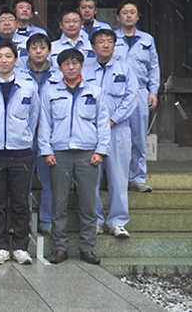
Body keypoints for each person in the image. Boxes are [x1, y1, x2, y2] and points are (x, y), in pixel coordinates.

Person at [38, 48, 111, 265]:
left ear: (82, 66)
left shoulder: (95, 91)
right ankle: (60, 247)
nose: (71, 67)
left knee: (88, 204)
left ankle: (87, 248)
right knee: (59, 203)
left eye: (75, 63)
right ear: (60, 68)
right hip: (59, 153)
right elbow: (45, 124)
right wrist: (47, 150)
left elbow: (103, 123)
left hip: (88, 153)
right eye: (66, 64)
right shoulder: (50, 92)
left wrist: (101, 150)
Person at [0, 40, 40, 265]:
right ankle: (0, 247)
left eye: (8, 56)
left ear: (16, 60)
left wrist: (23, 139)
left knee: (21, 202)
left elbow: (34, 119)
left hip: (21, 152)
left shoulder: (28, 87)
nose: (3, 60)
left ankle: (21, 247)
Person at [84, 29, 137, 238]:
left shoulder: (126, 69)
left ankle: (117, 221)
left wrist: (113, 120)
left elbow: (131, 98)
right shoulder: (85, 71)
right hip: (92, 132)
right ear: (93, 47)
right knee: (92, 178)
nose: (105, 45)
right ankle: (95, 221)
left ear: (115, 46)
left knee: (118, 177)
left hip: (118, 130)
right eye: (100, 42)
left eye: (109, 42)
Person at [113, 0, 160, 193]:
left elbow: (154, 67)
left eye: (133, 12)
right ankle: (119, 178)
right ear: (118, 17)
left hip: (140, 92)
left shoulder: (147, 40)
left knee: (140, 138)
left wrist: (153, 91)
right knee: (118, 139)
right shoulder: (111, 39)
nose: (129, 15)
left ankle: (138, 178)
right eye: (125, 12)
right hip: (117, 93)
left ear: (138, 17)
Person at [17, 33, 61, 236]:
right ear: (28, 51)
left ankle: (46, 221)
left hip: (49, 137)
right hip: (24, 135)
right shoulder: (18, 74)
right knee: (23, 182)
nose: (38, 51)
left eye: (42, 48)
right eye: (34, 48)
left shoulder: (58, 75)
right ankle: (23, 222)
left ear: (49, 51)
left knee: (49, 181)